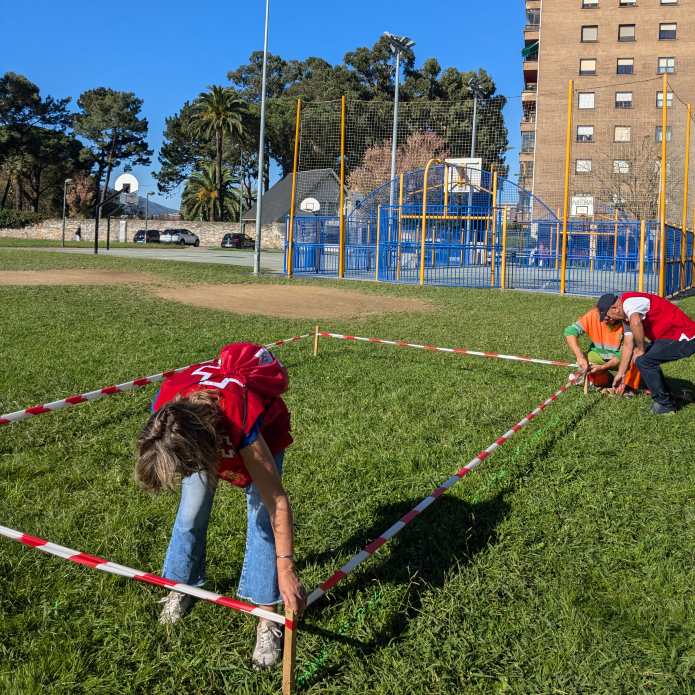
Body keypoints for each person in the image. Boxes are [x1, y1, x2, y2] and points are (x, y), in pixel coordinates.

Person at [136, 342, 305, 668]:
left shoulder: (242, 419)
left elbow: (277, 504)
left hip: (260, 432)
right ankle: (181, 585)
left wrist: (286, 569)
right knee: (190, 510)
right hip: (202, 436)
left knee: (262, 522)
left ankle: (266, 617)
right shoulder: (167, 411)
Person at [601, 292, 695, 414]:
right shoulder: (626, 315)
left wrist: (640, 349)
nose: (609, 319)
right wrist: (621, 373)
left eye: (608, 316)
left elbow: (636, 323)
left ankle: (665, 405)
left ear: (615, 308)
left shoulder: (629, 303)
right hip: (670, 338)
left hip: (686, 337)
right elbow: (628, 345)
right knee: (643, 360)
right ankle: (668, 397)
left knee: (644, 360)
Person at [564, 304, 640, 391]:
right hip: (599, 355)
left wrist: (603, 367)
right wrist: (580, 356)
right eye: (605, 317)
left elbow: (624, 353)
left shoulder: (627, 320)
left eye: (611, 317)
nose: (608, 320)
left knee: (638, 357)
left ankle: (629, 387)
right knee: (589, 366)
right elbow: (570, 332)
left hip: (624, 358)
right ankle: (606, 381)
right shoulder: (593, 315)